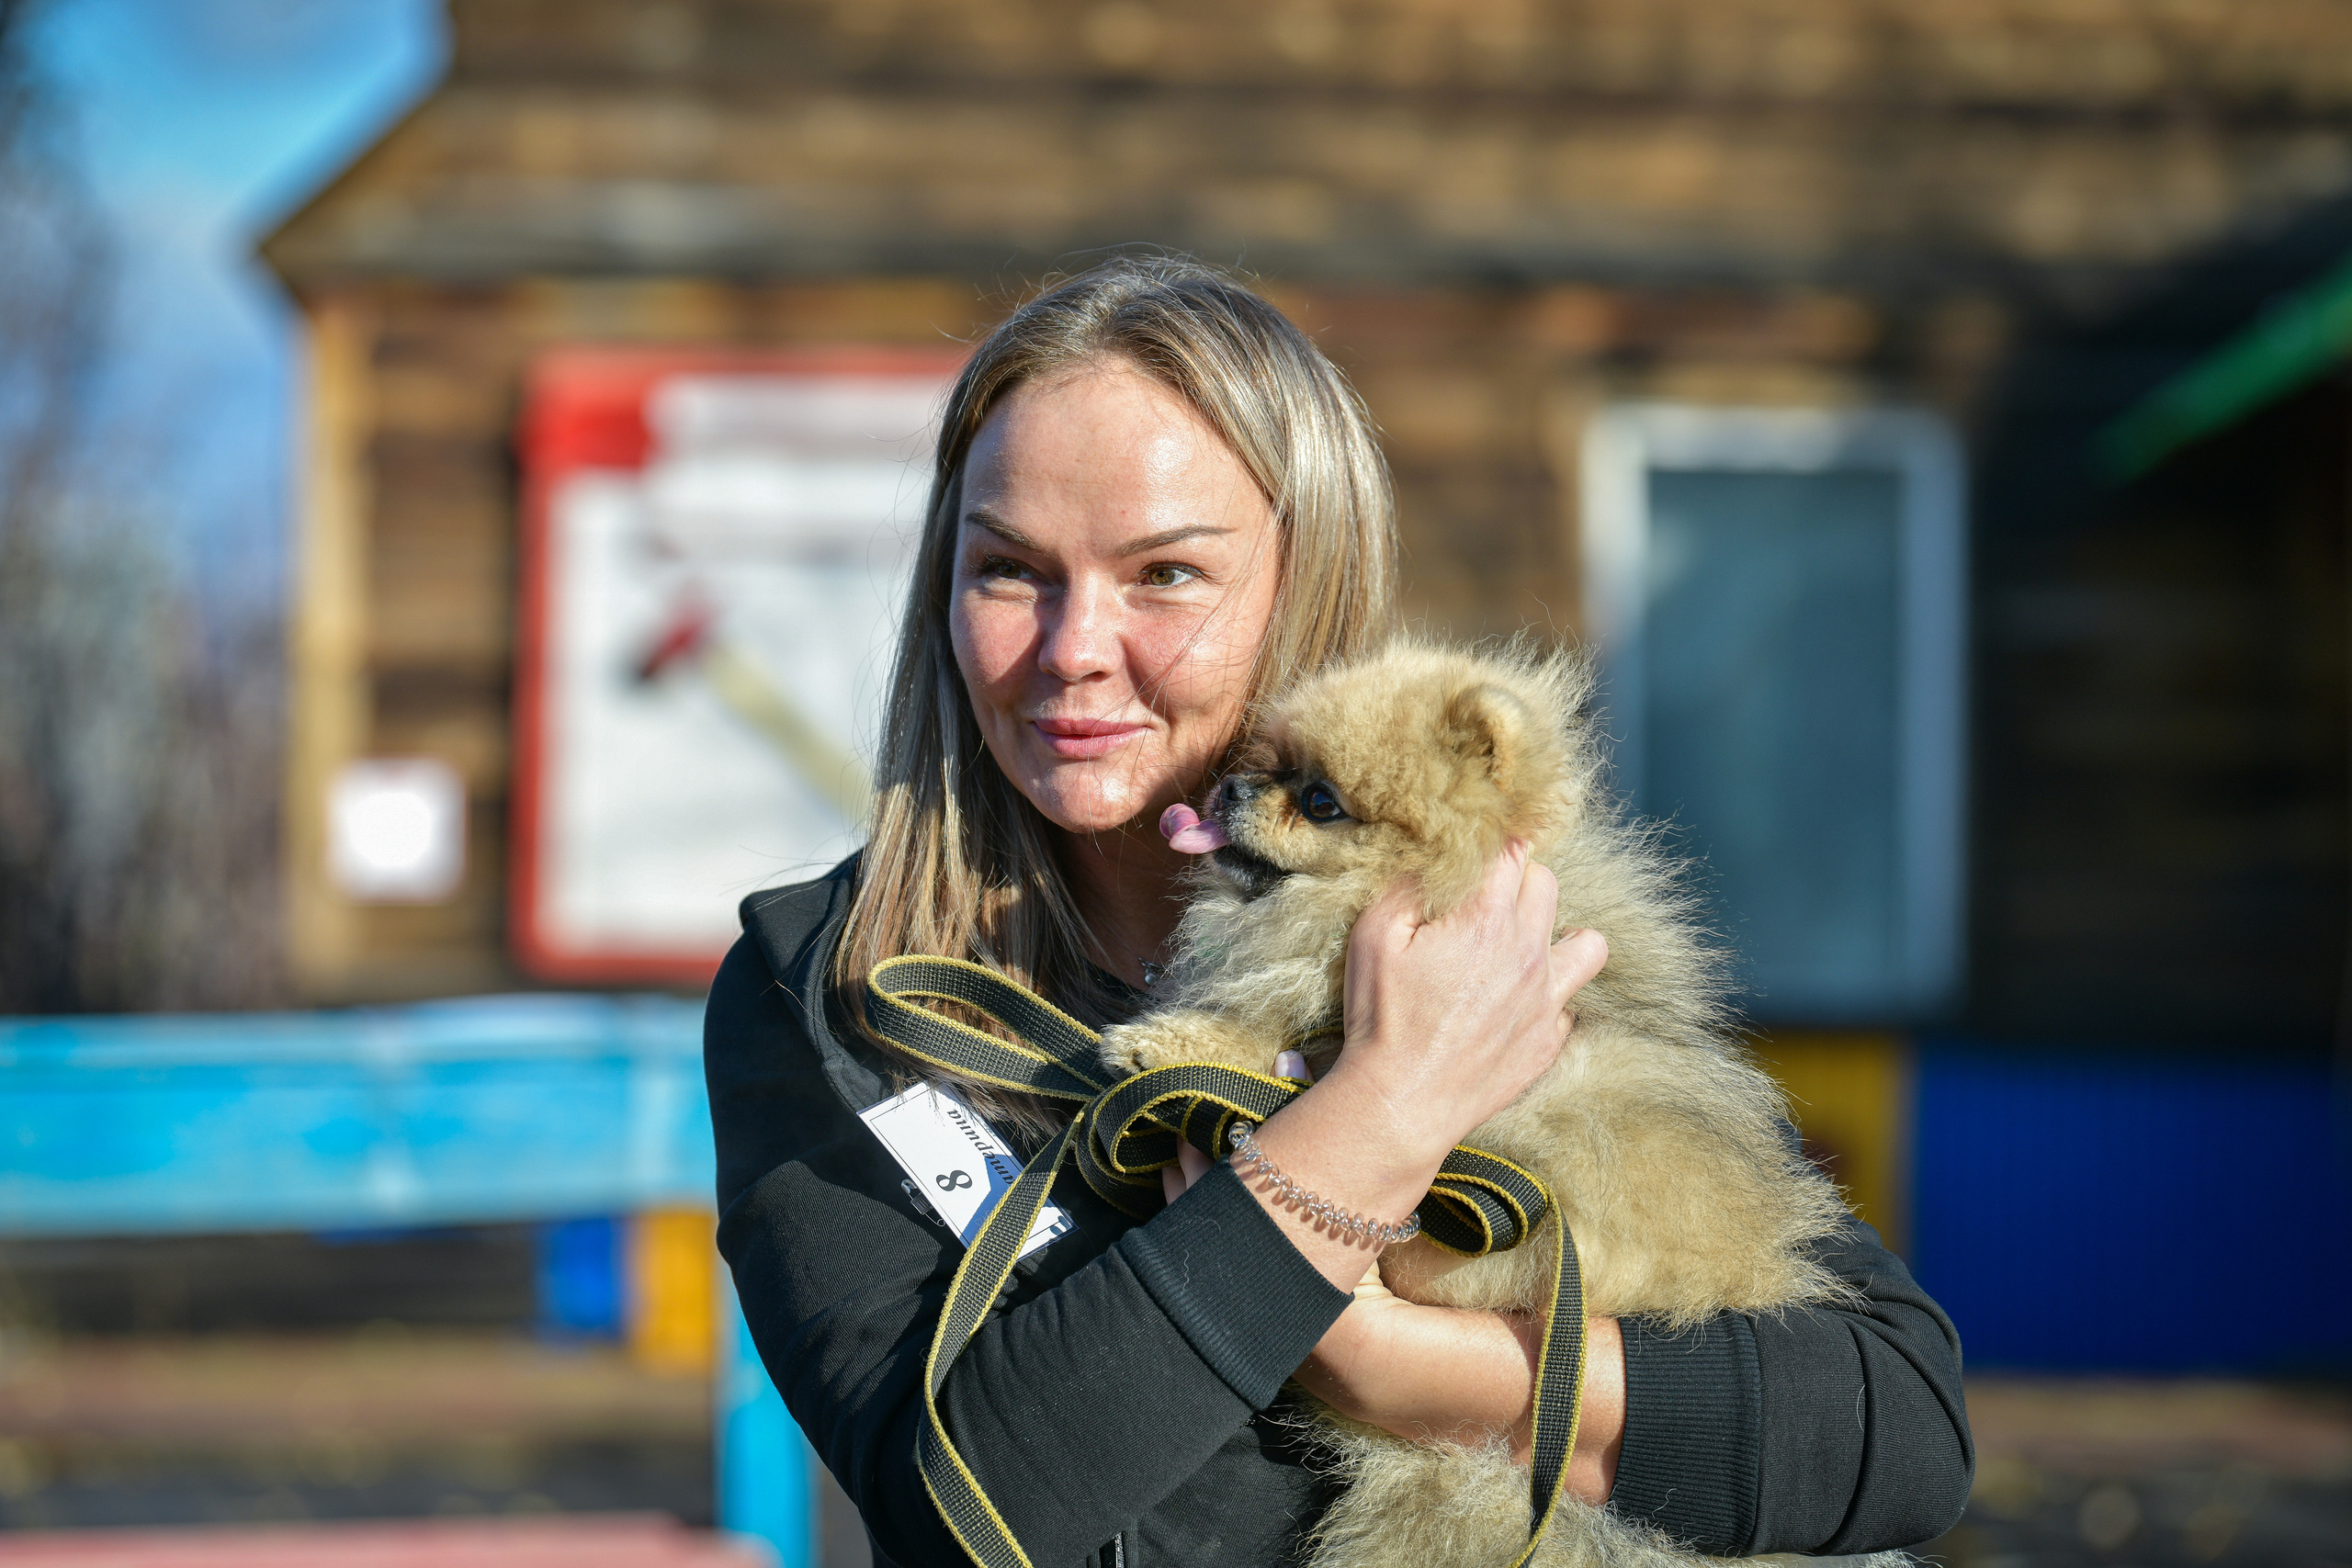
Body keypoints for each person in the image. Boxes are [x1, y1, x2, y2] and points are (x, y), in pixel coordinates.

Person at [705, 257, 1972, 1568]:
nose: (1075, 647)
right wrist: (1376, 1122)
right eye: (1011, 570)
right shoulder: (830, 996)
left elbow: (1898, 1428)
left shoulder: (1495, 922)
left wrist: (1397, 1363)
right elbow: (962, 1516)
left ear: (1304, 580)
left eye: (1165, 574)